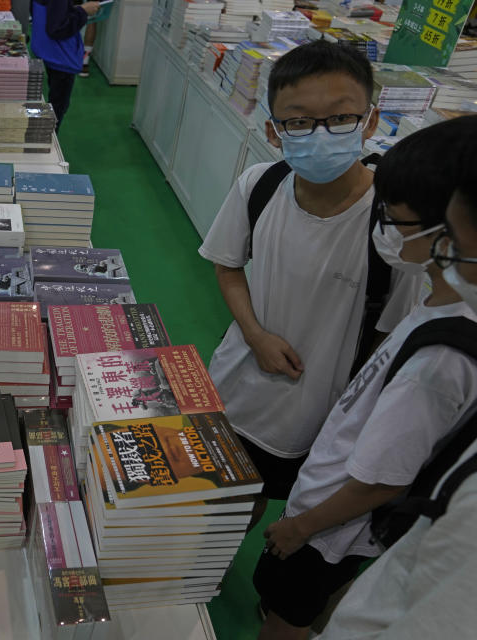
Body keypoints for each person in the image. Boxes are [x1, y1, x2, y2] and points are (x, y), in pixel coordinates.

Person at [254, 115, 477, 640]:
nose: (383, 231)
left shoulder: (441, 358)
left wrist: (301, 527)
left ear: (445, 232)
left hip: (328, 531)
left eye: (395, 220)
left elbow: (384, 477)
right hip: (328, 513)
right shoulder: (436, 307)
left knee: (289, 615)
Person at [198, 40, 420, 528]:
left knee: (274, 494)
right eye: (298, 121)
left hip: (316, 409)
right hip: (236, 381)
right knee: (224, 493)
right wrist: (255, 335)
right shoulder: (259, 185)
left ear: (371, 120)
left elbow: (389, 334)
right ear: (274, 132)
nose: (320, 135)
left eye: (340, 118)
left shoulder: (392, 226)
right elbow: (228, 266)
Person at [31, 0, 100, 130]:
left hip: (48, 51)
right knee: (56, 108)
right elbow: (58, 29)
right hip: (61, 56)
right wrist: (83, 11)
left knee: (55, 102)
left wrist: (73, 10)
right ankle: (47, 139)